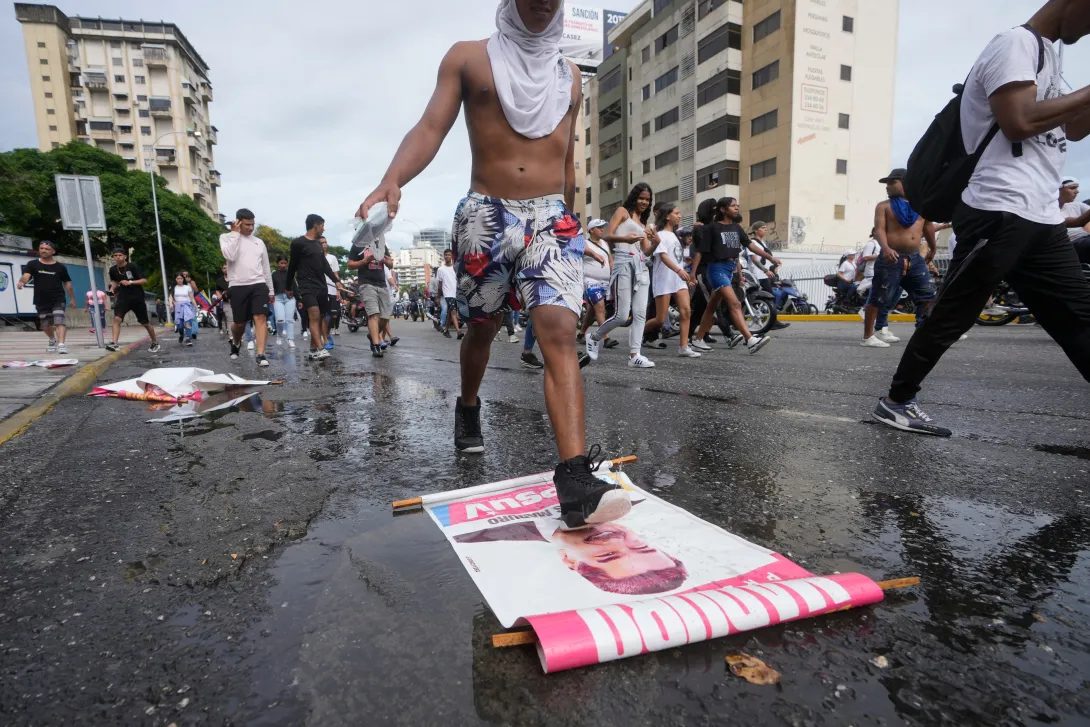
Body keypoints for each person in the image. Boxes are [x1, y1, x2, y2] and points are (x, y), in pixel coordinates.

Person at [358, 0, 631, 530]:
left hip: (551, 215)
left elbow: (568, 159)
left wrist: (577, 227)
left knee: (559, 332)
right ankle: (467, 404)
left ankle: (574, 479)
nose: (542, 3)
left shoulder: (570, 75)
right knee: (481, 327)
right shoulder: (468, 58)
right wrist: (394, 178)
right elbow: (430, 127)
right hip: (487, 212)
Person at [874, 2, 1090, 436]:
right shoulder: (1014, 45)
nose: (1086, 34)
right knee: (955, 313)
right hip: (996, 209)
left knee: (1079, 316)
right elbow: (1019, 120)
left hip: (1040, 215)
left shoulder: (1047, 58)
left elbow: (1074, 130)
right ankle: (897, 400)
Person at [454, 520, 688, 595]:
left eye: (608, 555)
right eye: (640, 546)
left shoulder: (476, 535)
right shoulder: (620, 501)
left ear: (570, 561)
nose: (616, 540)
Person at [689, 197, 780, 353]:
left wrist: (770, 257)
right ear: (723, 209)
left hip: (729, 269)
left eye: (737, 205)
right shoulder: (712, 228)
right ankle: (750, 339)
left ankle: (697, 340)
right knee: (735, 304)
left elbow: (750, 245)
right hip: (717, 270)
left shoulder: (736, 228)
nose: (737, 208)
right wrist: (692, 274)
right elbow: (700, 252)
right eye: (733, 206)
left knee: (711, 307)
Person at [860, 170, 937, 349]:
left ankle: (923, 332)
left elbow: (928, 226)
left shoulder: (921, 205)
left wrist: (932, 249)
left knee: (927, 294)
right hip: (892, 257)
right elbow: (879, 229)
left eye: (892, 182)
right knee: (880, 297)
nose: (888, 186)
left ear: (906, 183)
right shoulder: (884, 206)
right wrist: (885, 248)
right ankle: (868, 336)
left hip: (915, 259)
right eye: (887, 183)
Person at [585, 183, 658, 368]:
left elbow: (646, 251)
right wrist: (625, 239)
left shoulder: (643, 224)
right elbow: (608, 235)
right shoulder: (622, 212)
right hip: (624, 263)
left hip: (641, 267)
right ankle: (594, 337)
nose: (644, 202)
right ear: (635, 197)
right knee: (622, 315)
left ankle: (635, 355)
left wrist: (656, 243)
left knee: (641, 313)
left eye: (647, 199)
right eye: (641, 198)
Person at [219, 208, 274, 367]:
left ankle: (261, 354)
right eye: (247, 225)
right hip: (237, 285)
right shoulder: (226, 237)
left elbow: (266, 268)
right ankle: (236, 342)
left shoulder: (259, 242)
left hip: (258, 285)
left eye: (253, 225)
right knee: (239, 324)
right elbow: (230, 256)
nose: (251, 228)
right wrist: (235, 234)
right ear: (238, 222)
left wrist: (270, 290)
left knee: (260, 317)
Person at [645, 204, 699, 357]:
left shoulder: (675, 235)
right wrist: (679, 270)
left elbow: (676, 257)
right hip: (663, 279)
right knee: (660, 320)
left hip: (678, 280)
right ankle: (638, 333)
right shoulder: (659, 235)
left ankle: (683, 347)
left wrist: (685, 275)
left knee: (686, 311)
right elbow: (663, 256)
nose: (679, 216)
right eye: (676, 213)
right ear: (667, 216)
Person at [286, 214, 338, 361]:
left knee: (321, 316)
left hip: (321, 285)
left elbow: (325, 266)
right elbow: (292, 266)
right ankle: (320, 347)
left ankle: (313, 349)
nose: (323, 229)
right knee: (314, 314)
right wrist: (288, 286)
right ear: (316, 225)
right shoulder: (298, 243)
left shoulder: (317, 244)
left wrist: (336, 281)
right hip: (306, 285)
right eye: (322, 225)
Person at [15, 240, 76, 354]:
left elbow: (67, 283)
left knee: (59, 321)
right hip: (41, 299)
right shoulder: (32, 264)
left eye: (47, 249)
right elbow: (26, 276)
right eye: (41, 248)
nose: (43, 250)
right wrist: (21, 282)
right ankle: (52, 339)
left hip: (58, 298)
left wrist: (72, 298)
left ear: (53, 251)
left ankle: (61, 344)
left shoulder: (60, 267)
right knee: (45, 325)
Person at [347, 231, 396, 358]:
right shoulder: (358, 245)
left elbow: (391, 264)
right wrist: (365, 260)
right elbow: (350, 265)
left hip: (382, 284)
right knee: (374, 314)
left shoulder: (381, 245)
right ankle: (376, 345)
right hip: (366, 284)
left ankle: (371, 335)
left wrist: (383, 258)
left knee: (385, 317)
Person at [105, 248, 160, 352]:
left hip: (137, 297)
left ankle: (154, 342)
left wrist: (130, 282)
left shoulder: (132, 266)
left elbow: (144, 280)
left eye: (120, 255)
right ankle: (115, 343)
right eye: (115, 255)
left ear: (125, 256)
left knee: (145, 323)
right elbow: (115, 281)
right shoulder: (113, 269)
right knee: (117, 319)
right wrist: (112, 289)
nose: (117, 257)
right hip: (123, 297)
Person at [577, 219, 614, 348]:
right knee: (600, 307)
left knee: (592, 311)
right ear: (591, 230)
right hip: (590, 281)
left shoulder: (604, 243)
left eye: (602, 227)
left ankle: (581, 334)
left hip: (605, 282)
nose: (602, 230)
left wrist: (613, 277)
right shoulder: (585, 242)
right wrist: (594, 255)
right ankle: (606, 337)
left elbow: (610, 261)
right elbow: (586, 251)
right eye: (598, 227)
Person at [433, 249, 463, 339]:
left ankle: (446, 330)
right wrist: (438, 296)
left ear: (451, 256)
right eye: (445, 255)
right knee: (453, 312)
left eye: (449, 255)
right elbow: (440, 284)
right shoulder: (441, 269)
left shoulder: (456, 268)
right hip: (448, 294)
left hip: (456, 293)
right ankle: (458, 332)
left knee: (450, 312)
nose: (447, 256)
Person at [320, 236, 342, 349]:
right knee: (323, 315)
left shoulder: (332, 258)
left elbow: (336, 274)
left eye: (325, 242)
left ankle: (327, 333)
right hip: (321, 290)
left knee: (334, 315)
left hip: (333, 289)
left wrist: (338, 290)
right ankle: (325, 337)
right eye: (322, 242)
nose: (324, 244)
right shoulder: (315, 258)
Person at [270, 256, 296, 349]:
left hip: (290, 298)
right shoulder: (274, 274)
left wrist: (299, 300)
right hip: (278, 298)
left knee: (289, 320)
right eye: (281, 263)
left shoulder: (291, 273)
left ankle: (290, 339)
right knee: (280, 320)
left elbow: (295, 286)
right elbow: (271, 286)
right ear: (278, 263)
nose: (283, 265)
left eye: (285, 263)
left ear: (287, 263)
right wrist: (270, 296)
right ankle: (279, 336)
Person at [170, 272, 197, 347]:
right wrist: (171, 304)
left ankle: (188, 338)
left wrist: (196, 307)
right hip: (178, 307)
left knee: (188, 322)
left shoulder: (187, 287)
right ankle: (181, 334)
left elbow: (192, 298)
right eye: (178, 278)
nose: (179, 280)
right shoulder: (173, 287)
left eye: (181, 278)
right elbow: (171, 297)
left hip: (186, 306)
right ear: (175, 279)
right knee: (180, 326)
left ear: (183, 279)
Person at [214, 264, 229, 332]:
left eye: (228, 268)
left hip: (236, 302)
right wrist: (219, 295)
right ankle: (231, 335)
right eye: (224, 268)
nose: (226, 269)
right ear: (222, 270)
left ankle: (238, 336)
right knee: (229, 318)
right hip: (226, 302)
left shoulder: (235, 278)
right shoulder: (219, 281)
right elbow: (217, 290)